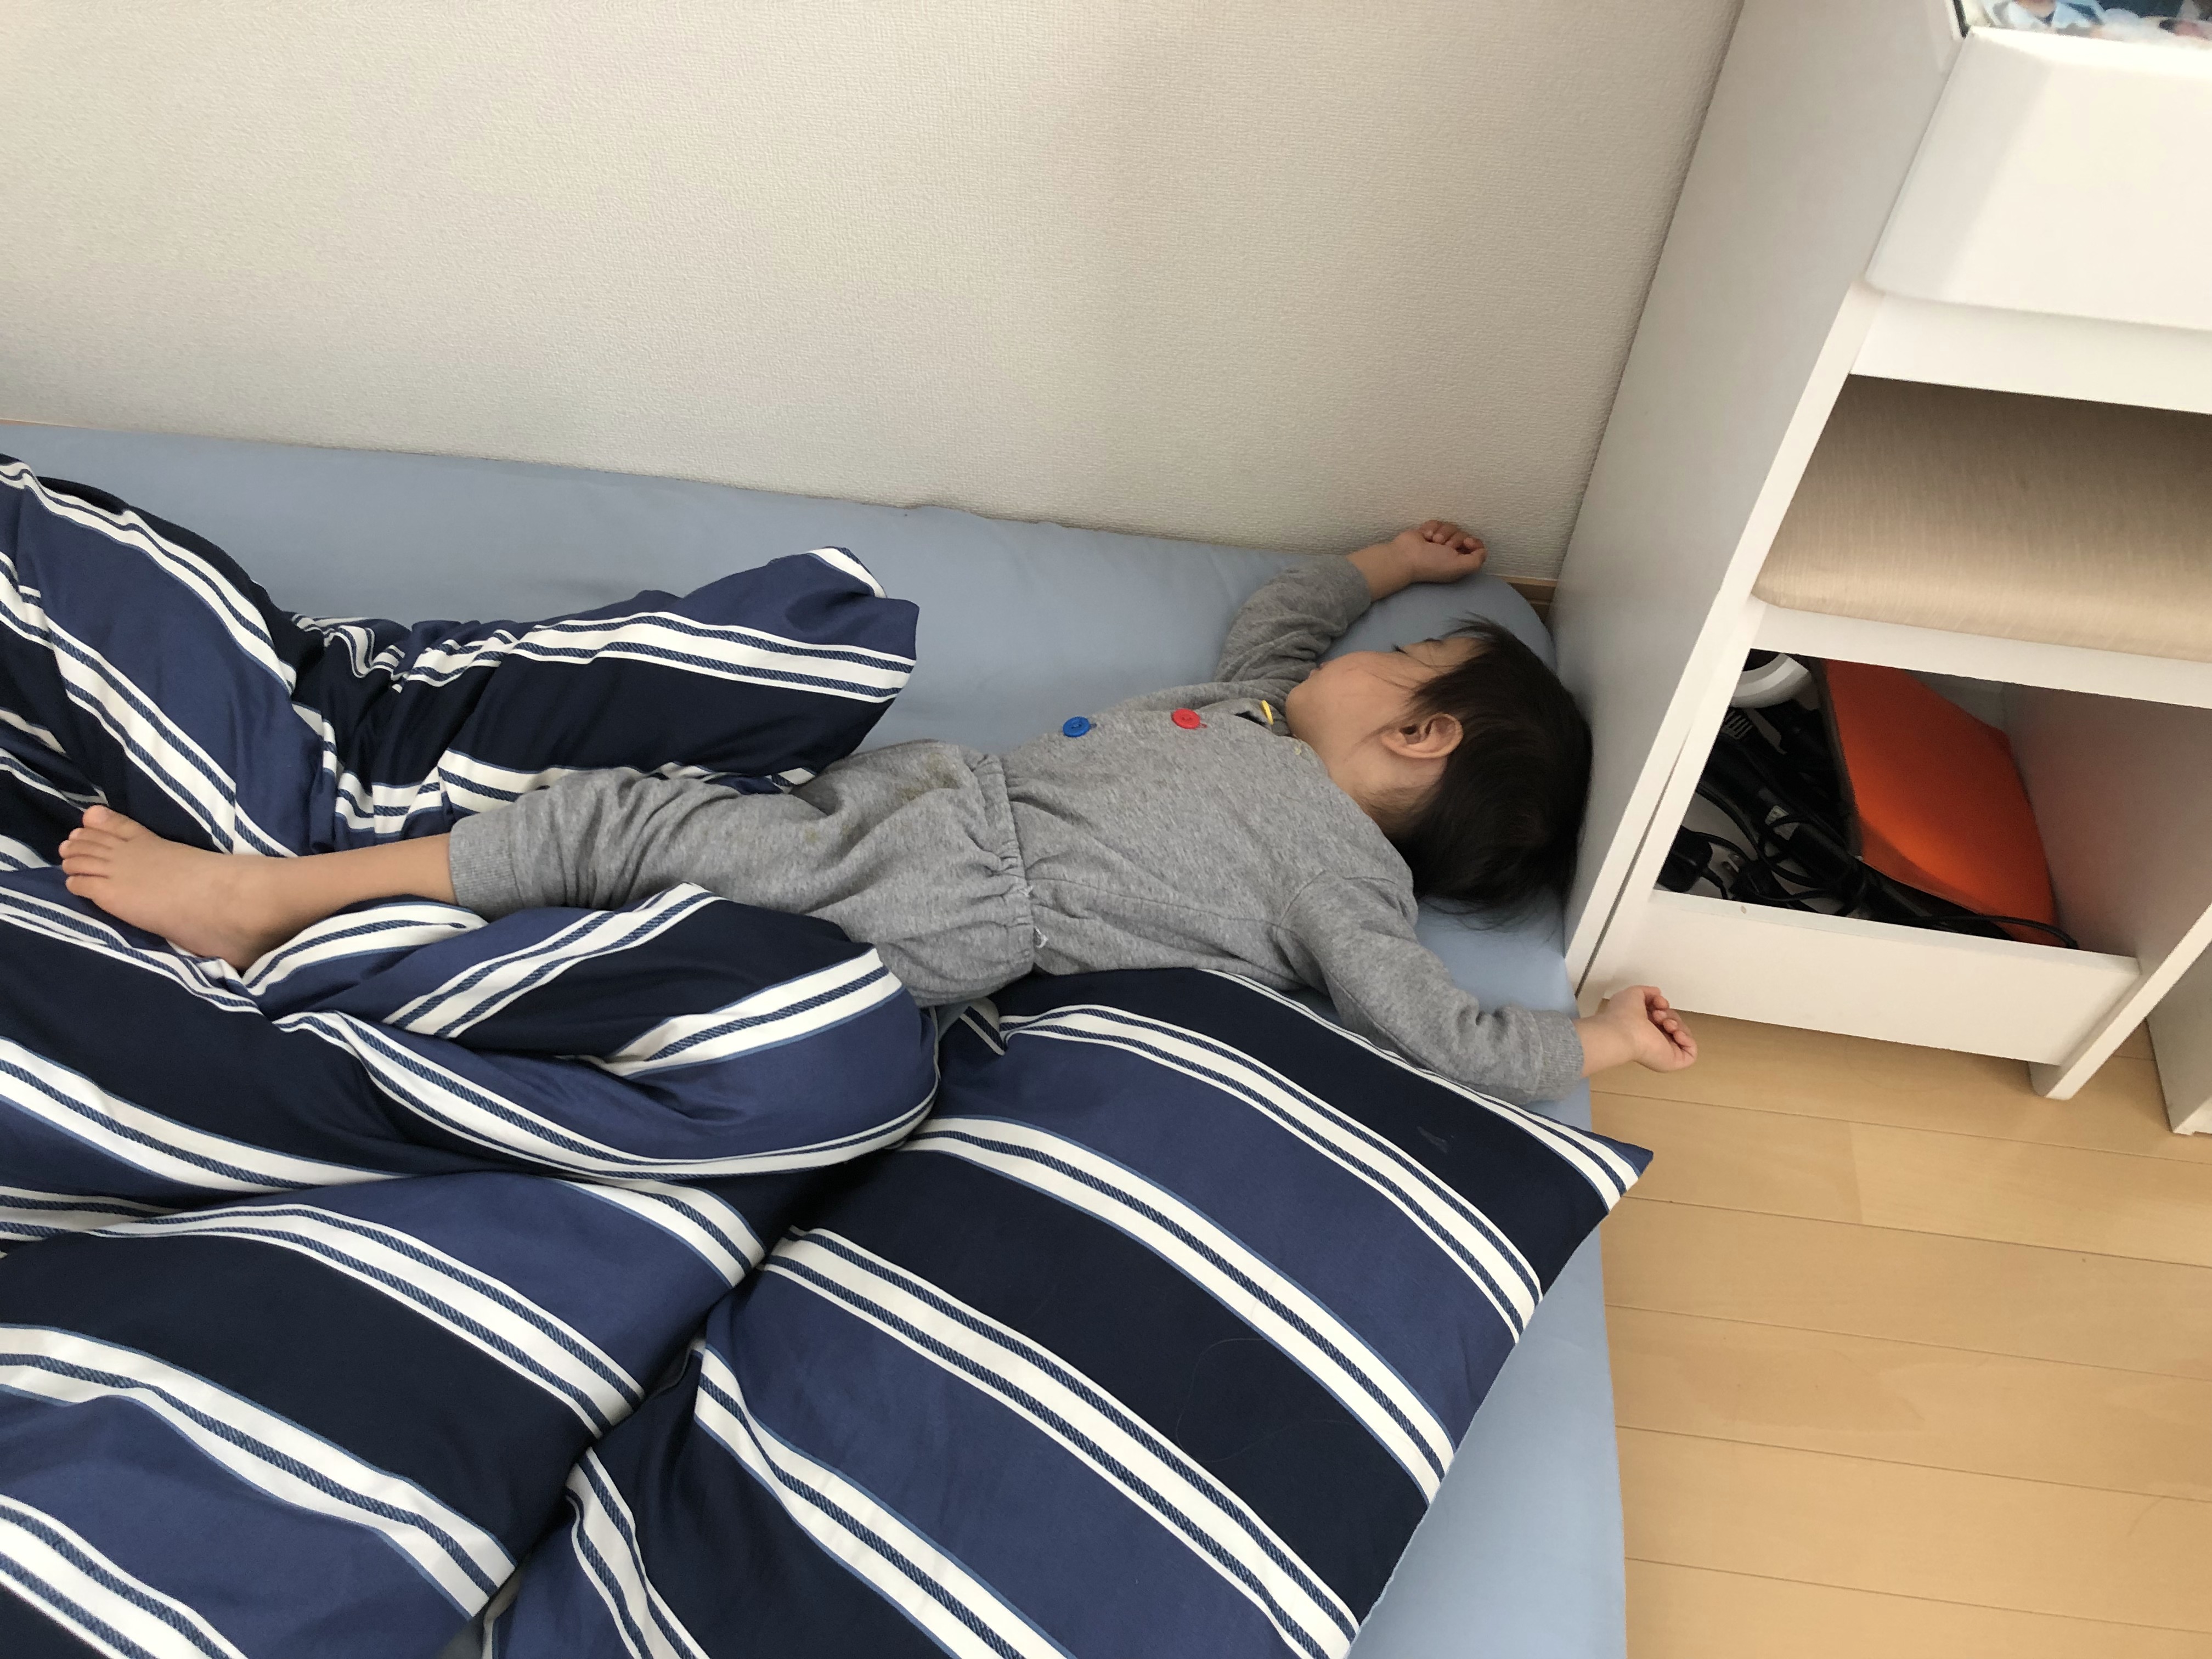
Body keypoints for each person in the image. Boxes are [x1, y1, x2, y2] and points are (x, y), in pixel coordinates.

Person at [55, 522, 1695, 1101]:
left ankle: (272, 903)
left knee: (630, 830)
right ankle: (390, 936)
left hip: (955, 900)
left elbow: (1438, 1030)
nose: (1352, 658)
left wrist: (1602, 1041)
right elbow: (1285, 627)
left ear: (1417, 734)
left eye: (1398, 660)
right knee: (651, 843)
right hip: (915, 813)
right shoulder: (1261, 715)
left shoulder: (1341, 882)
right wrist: (1383, 568)